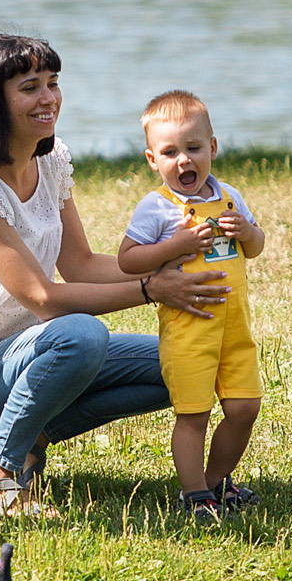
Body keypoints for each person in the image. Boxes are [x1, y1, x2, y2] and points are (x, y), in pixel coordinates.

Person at [0, 34, 229, 519]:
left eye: (52, 83)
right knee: (81, 335)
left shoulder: (50, 162)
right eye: (30, 87)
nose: (48, 97)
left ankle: (29, 438)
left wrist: (175, 261)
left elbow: (81, 264)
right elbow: (43, 297)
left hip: (43, 347)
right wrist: (149, 290)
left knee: (184, 363)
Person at [117, 90, 267, 519]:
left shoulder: (230, 197)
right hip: (189, 328)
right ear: (152, 160)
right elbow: (129, 259)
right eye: (170, 152)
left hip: (235, 328)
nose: (184, 160)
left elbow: (256, 246)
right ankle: (195, 493)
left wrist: (248, 233)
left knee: (245, 407)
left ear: (212, 148)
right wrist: (174, 244)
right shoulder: (158, 207)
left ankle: (218, 482)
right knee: (194, 413)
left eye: (193, 148)